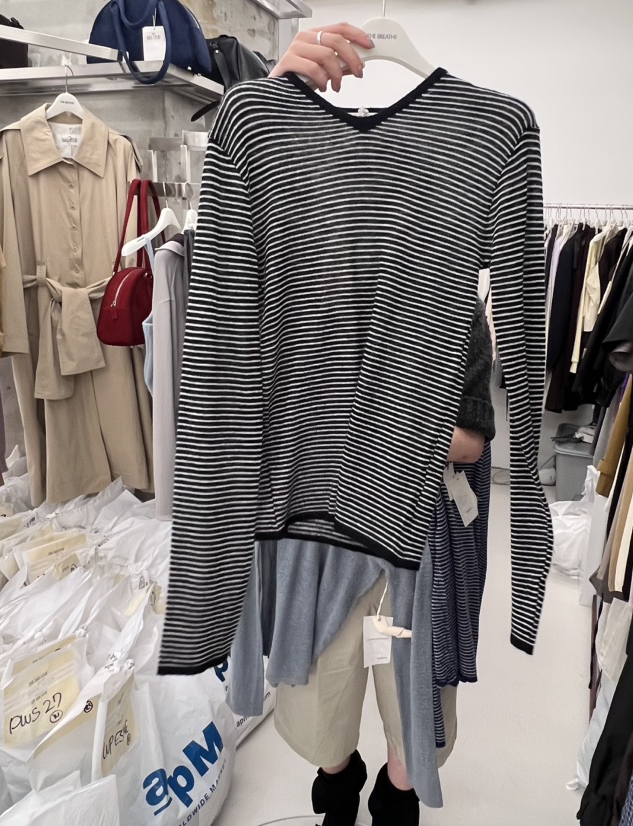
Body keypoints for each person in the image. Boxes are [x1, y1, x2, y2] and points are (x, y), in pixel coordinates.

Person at [253, 25, 494, 825]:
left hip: (411, 552)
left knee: (407, 716)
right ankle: (338, 787)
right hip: (313, 544)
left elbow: (471, 441)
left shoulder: (454, 301)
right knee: (322, 711)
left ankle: (393, 794)